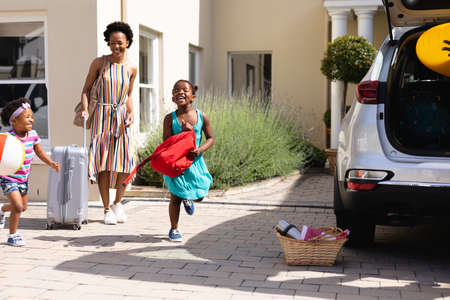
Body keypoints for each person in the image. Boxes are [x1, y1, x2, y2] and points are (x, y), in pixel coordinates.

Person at [80, 21, 137, 225]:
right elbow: (86, 89)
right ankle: (106, 209)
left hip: (121, 117)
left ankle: (118, 202)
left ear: (127, 42)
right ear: (108, 43)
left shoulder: (132, 67)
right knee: (103, 164)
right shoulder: (99, 63)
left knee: (125, 163)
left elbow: (128, 95)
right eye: (112, 42)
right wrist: (86, 109)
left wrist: (130, 114)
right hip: (101, 116)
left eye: (120, 42)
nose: (116, 46)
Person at [0, 98, 60, 246]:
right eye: (27, 117)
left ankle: (2, 209)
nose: (31, 119)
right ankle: (12, 235)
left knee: (23, 207)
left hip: (23, 179)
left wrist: (51, 162)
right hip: (8, 178)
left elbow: (39, 152)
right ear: (14, 121)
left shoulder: (32, 135)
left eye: (32, 116)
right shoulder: (8, 139)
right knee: (18, 207)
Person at [163, 80, 214, 242]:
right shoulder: (169, 119)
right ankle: (174, 229)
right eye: (176, 90)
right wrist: (182, 134)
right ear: (173, 97)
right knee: (175, 198)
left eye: (185, 90)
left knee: (200, 194)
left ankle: (189, 198)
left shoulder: (201, 116)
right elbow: (165, 143)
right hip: (176, 163)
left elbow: (211, 138)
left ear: (193, 96)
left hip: (195, 163)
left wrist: (200, 150)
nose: (180, 92)